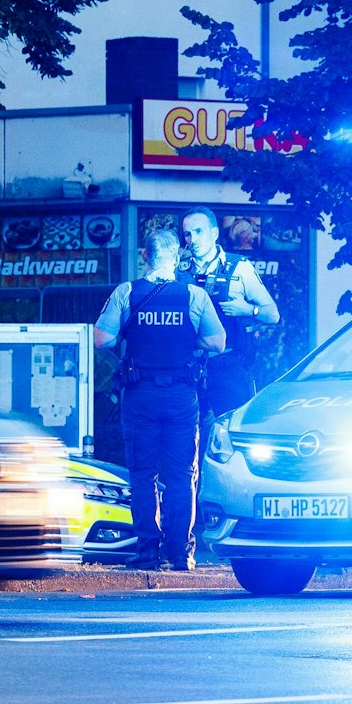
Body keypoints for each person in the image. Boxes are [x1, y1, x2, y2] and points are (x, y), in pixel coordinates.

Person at [95, 229, 226, 571]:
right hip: (182, 396)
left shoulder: (127, 292)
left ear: (144, 257)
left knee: (143, 474)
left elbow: (102, 339)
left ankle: (147, 554)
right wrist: (189, 342)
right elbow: (218, 342)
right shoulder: (194, 295)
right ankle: (181, 554)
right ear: (177, 259)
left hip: (140, 396)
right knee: (182, 475)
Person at [176, 208, 280, 432]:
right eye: (187, 234)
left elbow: (272, 315)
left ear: (214, 233)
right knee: (186, 437)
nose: (193, 239)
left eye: (199, 231)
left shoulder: (239, 267)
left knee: (234, 432)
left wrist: (248, 309)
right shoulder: (178, 271)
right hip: (187, 369)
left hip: (228, 367)